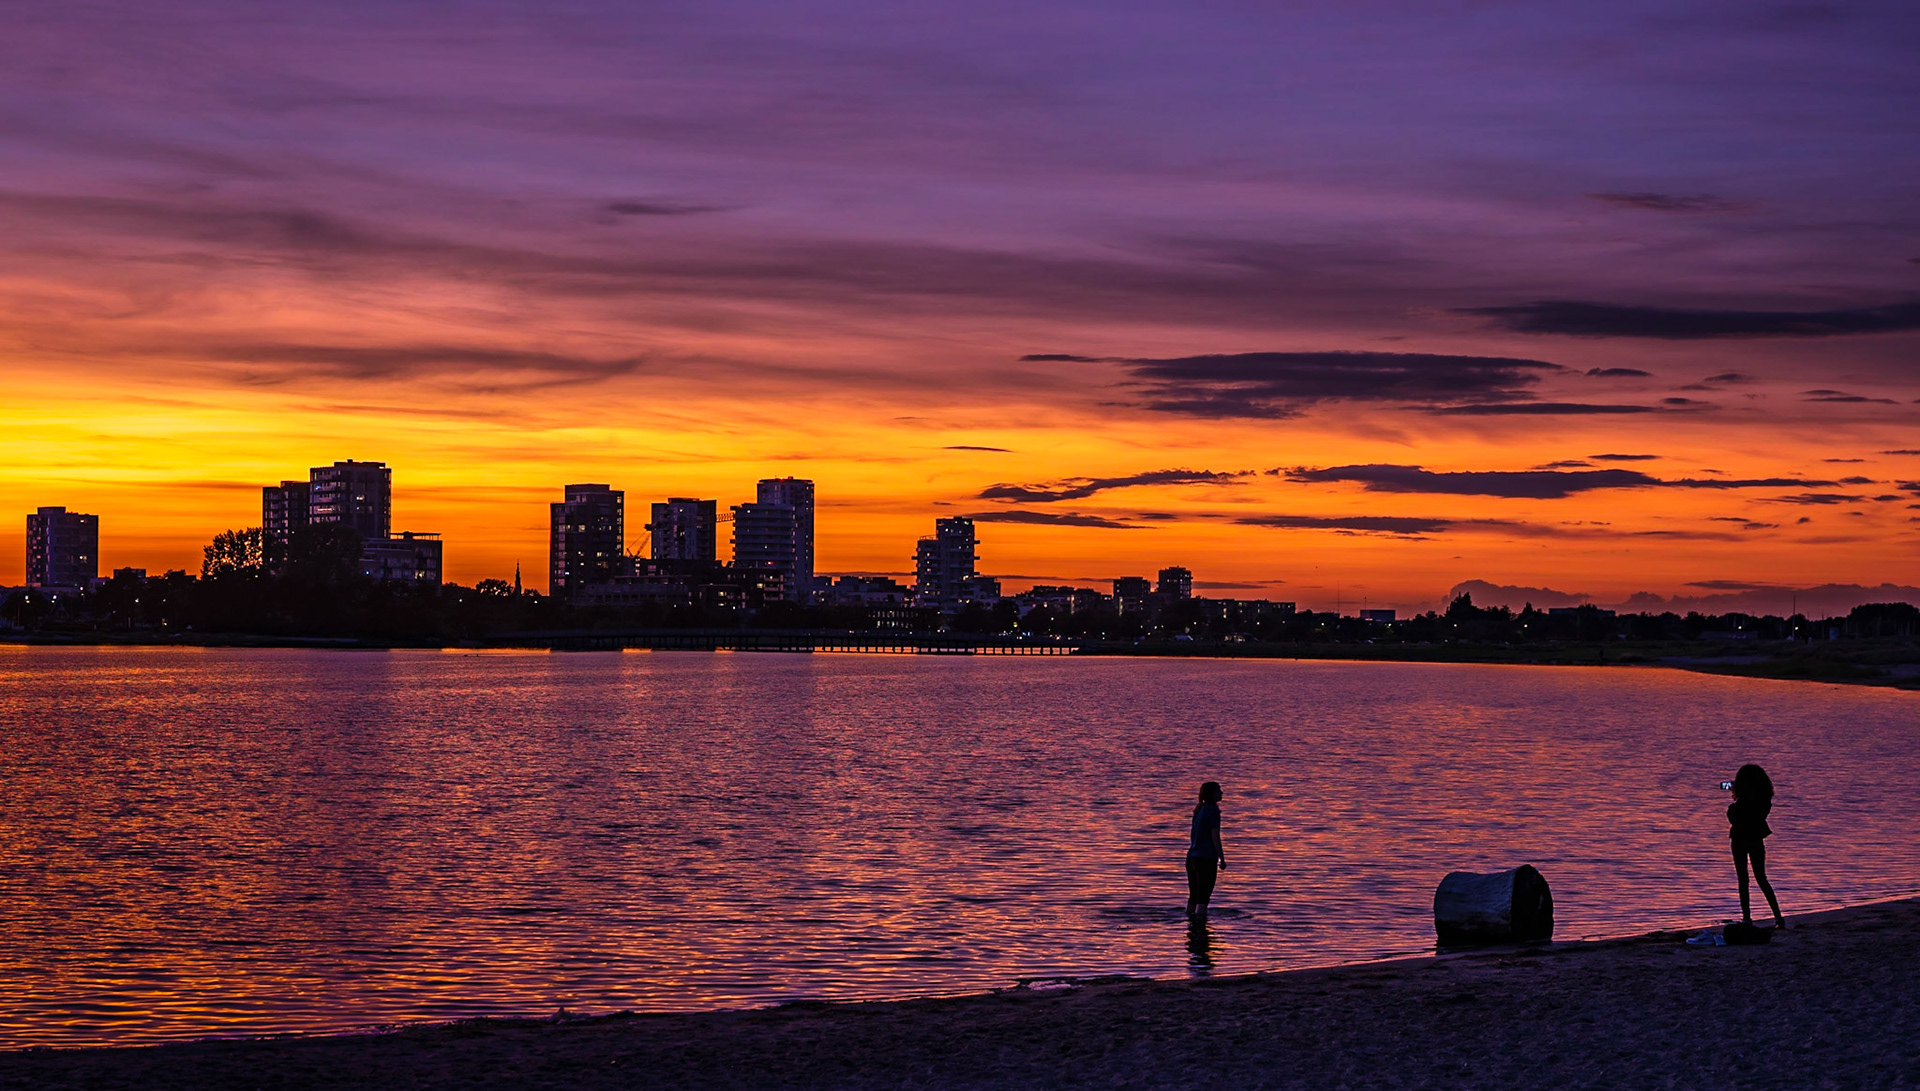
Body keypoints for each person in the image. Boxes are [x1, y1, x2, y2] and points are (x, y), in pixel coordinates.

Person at [1728, 763, 1786, 929]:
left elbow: (1733, 817)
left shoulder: (1742, 803)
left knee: (1743, 878)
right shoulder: (1763, 798)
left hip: (1740, 838)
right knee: (1761, 878)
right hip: (1756, 838)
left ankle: (1747, 918)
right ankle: (1778, 917)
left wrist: (1734, 792)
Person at [1186, 781, 1226, 918]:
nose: (1221, 793)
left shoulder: (1199, 810)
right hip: (1206, 859)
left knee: (1194, 897)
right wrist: (1222, 857)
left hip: (1192, 857)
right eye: (1218, 790)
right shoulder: (1213, 811)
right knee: (1203, 898)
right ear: (1212, 794)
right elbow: (1215, 837)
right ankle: (1200, 930)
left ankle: (1190, 925)